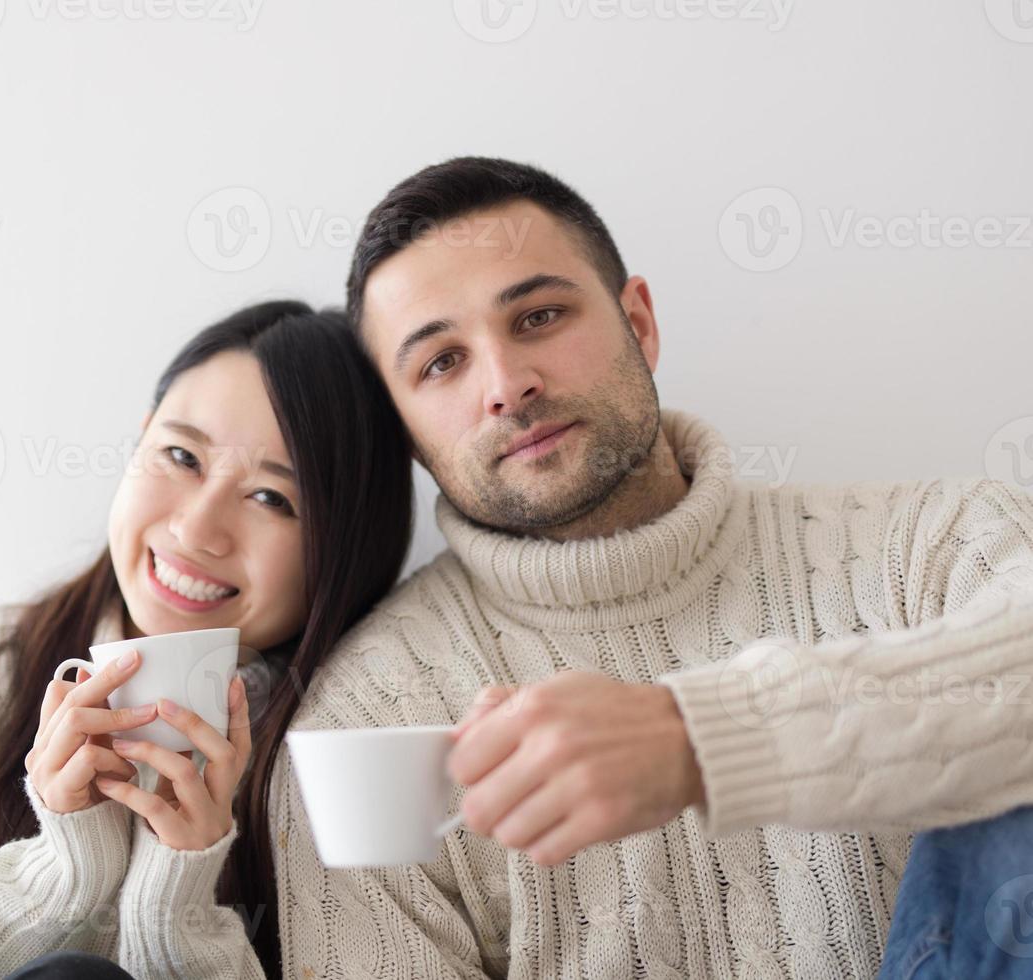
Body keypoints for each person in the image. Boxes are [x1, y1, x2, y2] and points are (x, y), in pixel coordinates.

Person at [162, 157, 1033, 978]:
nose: (507, 383)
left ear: (639, 324)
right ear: (410, 434)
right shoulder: (366, 723)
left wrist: (699, 740)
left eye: (538, 316)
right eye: (442, 363)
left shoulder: (935, 545)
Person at [0, 300, 414, 980]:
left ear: (345, 547)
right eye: (181, 456)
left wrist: (177, 899)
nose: (196, 529)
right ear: (138, 443)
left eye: (272, 499)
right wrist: (57, 871)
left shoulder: (348, 754)